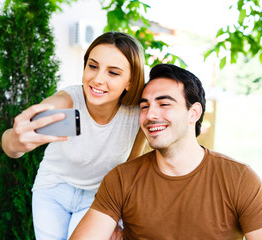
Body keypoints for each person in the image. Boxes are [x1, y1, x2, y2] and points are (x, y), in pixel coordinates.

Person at [70, 63, 262, 240]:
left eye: (164, 104)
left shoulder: (239, 179)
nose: (150, 115)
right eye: (144, 106)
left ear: (193, 113)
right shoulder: (122, 179)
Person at [1, 31, 147, 239]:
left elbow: (131, 166)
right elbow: (16, 138)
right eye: (93, 66)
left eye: (113, 73)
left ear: (130, 82)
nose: (97, 79)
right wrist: (15, 140)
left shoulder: (135, 115)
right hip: (53, 190)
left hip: (98, 198)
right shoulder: (70, 101)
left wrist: (122, 216)